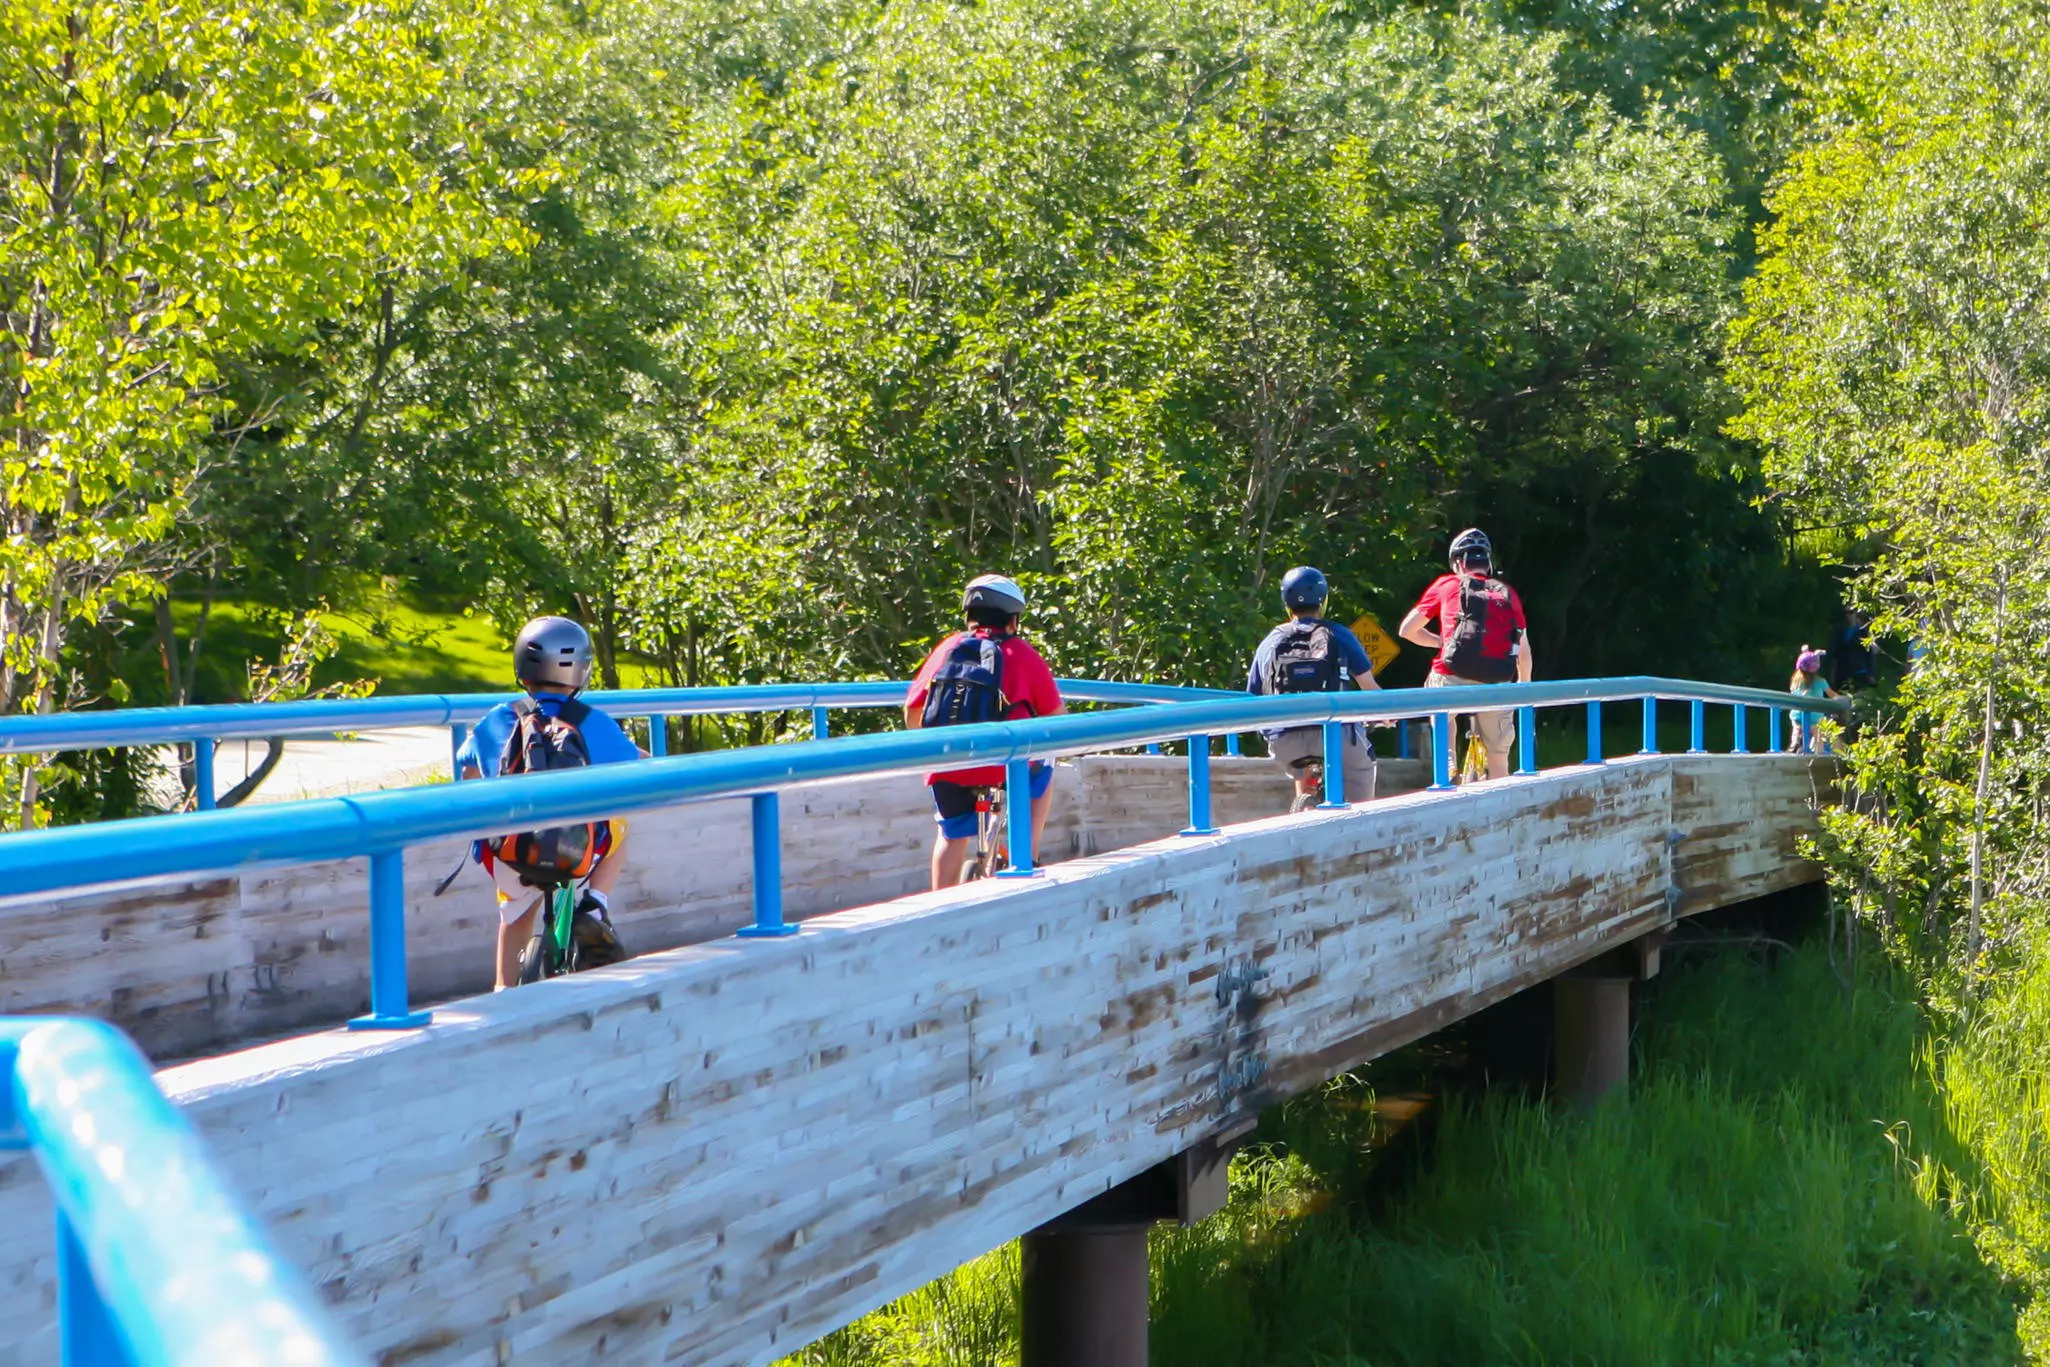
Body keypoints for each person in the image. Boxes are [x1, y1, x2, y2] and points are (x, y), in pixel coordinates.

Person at [457, 616, 642, 989]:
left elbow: (467, 770)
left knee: (515, 917)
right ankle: (595, 903)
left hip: (513, 853)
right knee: (620, 822)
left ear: (522, 668)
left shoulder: (497, 719)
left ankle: (503, 991)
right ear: (580, 672)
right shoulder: (594, 722)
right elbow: (636, 769)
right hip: (577, 853)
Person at [904, 574, 1065, 889]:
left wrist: (934, 748)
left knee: (950, 836)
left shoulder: (948, 648)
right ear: (1013, 620)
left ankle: (941, 907)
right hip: (1002, 767)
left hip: (948, 765)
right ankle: (1028, 856)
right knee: (1047, 759)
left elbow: (912, 711)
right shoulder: (1021, 654)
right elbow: (1058, 721)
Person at [1398, 528, 1532, 781]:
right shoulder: (1507, 593)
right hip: (1498, 682)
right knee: (1499, 756)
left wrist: (1442, 643)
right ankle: (1499, 787)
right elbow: (1523, 651)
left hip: (1452, 676)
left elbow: (1407, 630)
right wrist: (1524, 690)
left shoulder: (1446, 584)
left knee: (1438, 692)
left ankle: (1447, 758)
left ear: (1458, 563)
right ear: (1488, 563)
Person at [1246, 566, 1382, 812]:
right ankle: (1362, 831)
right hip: (1335, 735)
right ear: (1323, 600)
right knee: (1363, 772)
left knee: (1301, 767)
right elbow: (1369, 688)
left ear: (1286, 603)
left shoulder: (1271, 641)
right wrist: (1386, 715)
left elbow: (1252, 696)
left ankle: (1304, 811)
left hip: (1284, 740)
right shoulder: (1337, 634)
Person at [1789, 645, 1839, 754]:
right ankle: (1817, 755)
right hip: (1815, 718)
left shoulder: (1795, 681)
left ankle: (1795, 745)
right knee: (1818, 736)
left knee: (1796, 730)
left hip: (1797, 716)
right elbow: (1832, 695)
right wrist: (1842, 699)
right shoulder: (1820, 681)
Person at [1828, 607, 1876, 690]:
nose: (1847, 615)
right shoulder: (1839, 631)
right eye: (1845, 613)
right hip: (1842, 672)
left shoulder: (1863, 632)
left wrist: (1871, 674)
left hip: (1860, 671)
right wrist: (1832, 676)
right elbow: (1834, 654)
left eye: (1850, 612)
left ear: (1856, 614)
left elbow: (1869, 654)